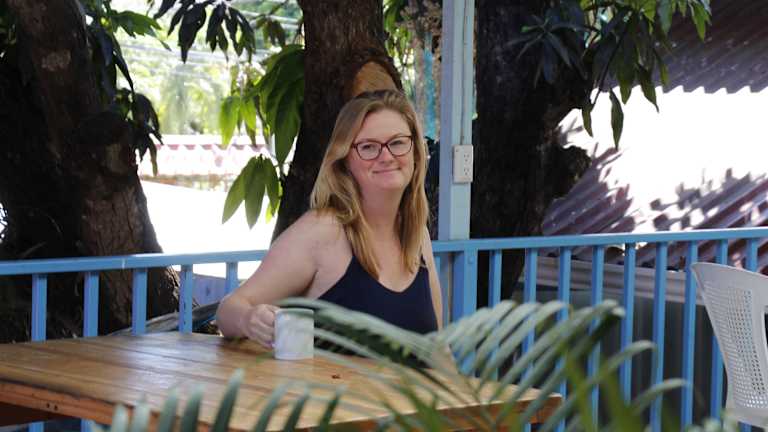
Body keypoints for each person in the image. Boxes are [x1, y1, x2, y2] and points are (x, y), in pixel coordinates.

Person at [216, 89, 443, 348]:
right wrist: (250, 319)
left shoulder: (417, 235)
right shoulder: (323, 231)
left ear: (415, 153)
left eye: (398, 142)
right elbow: (228, 310)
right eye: (368, 147)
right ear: (344, 161)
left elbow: (439, 349)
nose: (386, 156)